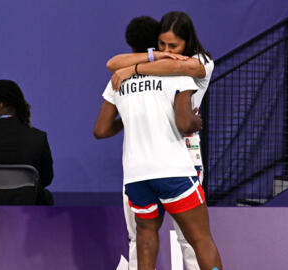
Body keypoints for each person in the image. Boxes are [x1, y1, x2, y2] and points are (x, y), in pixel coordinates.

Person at [106, 12, 214, 270]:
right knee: (140, 234)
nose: (168, 50)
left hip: (185, 152)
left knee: (190, 238)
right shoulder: (158, 59)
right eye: (162, 44)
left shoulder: (202, 61)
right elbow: (113, 63)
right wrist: (155, 56)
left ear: (188, 42)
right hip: (147, 158)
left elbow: (182, 67)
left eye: (174, 46)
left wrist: (134, 69)